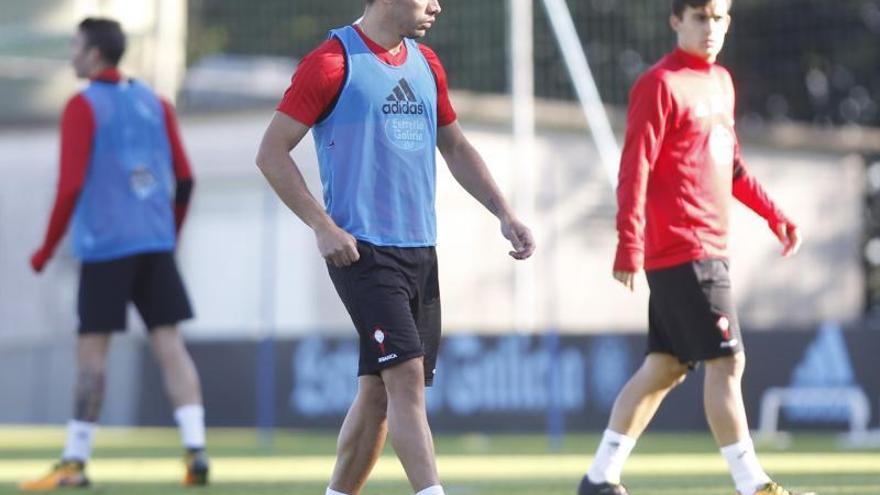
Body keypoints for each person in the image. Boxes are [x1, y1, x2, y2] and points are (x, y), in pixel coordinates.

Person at [256, 1, 535, 494]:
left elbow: (455, 147)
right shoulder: (330, 63)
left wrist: (504, 213)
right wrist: (322, 226)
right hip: (362, 253)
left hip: (420, 253)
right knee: (404, 380)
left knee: (378, 396)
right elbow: (271, 153)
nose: (436, 5)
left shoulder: (427, 65)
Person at [577, 1, 814, 495]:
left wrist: (775, 215)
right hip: (685, 249)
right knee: (728, 362)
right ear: (676, 20)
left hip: (708, 249)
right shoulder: (659, 84)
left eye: (720, 17)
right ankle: (754, 485)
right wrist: (629, 242)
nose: (712, 28)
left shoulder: (721, 83)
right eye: (701, 17)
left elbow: (731, 166)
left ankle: (600, 477)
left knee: (665, 366)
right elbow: (634, 167)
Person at [21, 17, 209, 491]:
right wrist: (171, 232)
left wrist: (44, 250)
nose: (70, 55)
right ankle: (196, 451)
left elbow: (70, 187)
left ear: (95, 54)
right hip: (154, 244)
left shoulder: (82, 107)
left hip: (106, 248)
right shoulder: (157, 103)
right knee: (171, 346)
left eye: (75, 46)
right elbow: (185, 179)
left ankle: (76, 462)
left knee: (92, 358)